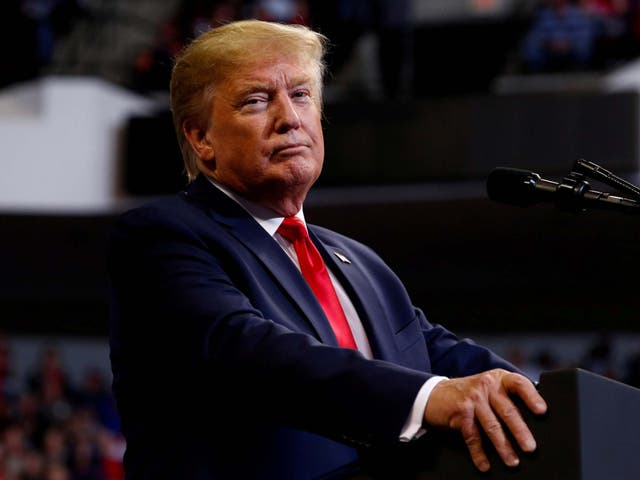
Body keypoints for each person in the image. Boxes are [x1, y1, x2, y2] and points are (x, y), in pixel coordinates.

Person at [108, 19, 547, 479]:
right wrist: (432, 398)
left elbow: (444, 356)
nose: (289, 118)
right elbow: (248, 354)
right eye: (257, 101)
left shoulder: (360, 264)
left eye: (301, 95)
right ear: (201, 138)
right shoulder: (162, 236)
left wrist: (553, 402)